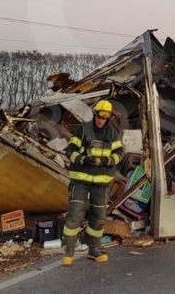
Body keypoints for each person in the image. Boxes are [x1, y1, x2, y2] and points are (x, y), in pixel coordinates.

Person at [62, 99, 124, 266]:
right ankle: (68, 251)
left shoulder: (112, 134)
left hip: (101, 183)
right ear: (95, 114)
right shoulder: (82, 131)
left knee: (98, 218)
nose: (100, 120)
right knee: (75, 214)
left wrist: (107, 160)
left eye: (104, 117)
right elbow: (70, 151)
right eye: (98, 116)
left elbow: (120, 153)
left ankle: (94, 250)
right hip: (80, 181)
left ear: (109, 118)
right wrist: (84, 159)